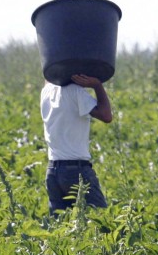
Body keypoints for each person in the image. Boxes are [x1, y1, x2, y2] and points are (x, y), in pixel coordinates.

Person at [41, 74, 113, 213]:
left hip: (52, 172)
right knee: (102, 220)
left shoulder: (46, 92)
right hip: (76, 170)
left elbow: (49, 74)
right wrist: (97, 85)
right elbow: (106, 115)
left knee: (60, 227)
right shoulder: (75, 92)